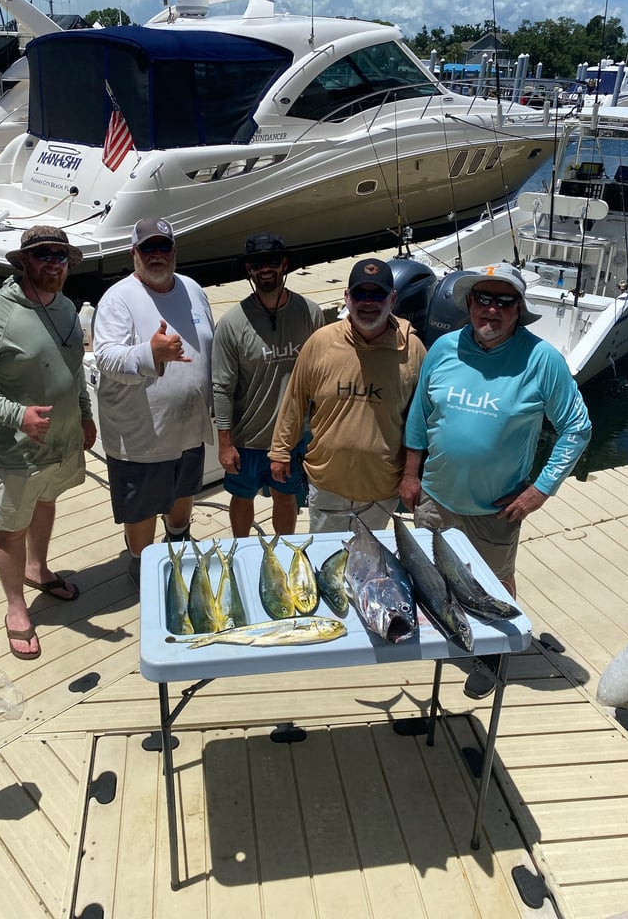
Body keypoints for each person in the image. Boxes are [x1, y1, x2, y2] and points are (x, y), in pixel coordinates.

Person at [400, 261, 592, 698]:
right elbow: (419, 416)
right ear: (469, 303)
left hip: (494, 508)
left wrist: (540, 490)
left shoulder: (541, 359)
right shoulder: (444, 348)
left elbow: (577, 428)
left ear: (518, 308)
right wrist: (410, 474)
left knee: (494, 585)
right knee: (435, 576)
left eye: (503, 301)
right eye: (482, 299)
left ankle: (492, 654)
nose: (491, 309)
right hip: (435, 496)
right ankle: (448, 637)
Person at [0, 226, 97, 660]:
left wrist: (87, 415)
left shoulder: (68, 307)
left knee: (47, 501)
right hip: (15, 449)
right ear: (24, 262)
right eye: (43, 255)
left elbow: (74, 369)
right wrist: (17, 414)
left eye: (61, 256)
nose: (53, 263)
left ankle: (38, 569)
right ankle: (16, 608)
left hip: (62, 441)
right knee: (11, 528)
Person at [93, 217, 214, 581]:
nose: (156, 255)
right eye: (148, 248)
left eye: (164, 247)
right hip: (141, 437)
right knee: (142, 512)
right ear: (134, 253)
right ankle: (142, 567)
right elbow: (106, 358)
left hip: (190, 428)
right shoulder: (118, 299)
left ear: (174, 251)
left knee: (183, 494)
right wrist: (150, 353)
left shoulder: (193, 288)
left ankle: (178, 543)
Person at [269, 257, 426, 532]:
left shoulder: (413, 350)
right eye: (360, 293)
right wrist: (280, 452)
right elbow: (295, 399)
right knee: (326, 561)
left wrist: (412, 476)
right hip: (328, 483)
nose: (368, 302)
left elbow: (421, 421)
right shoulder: (321, 341)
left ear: (392, 298)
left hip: (381, 489)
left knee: (369, 569)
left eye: (377, 294)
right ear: (346, 297)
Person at [212, 233, 325, 536]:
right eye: (257, 263)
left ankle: (285, 554)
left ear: (284, 264)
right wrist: (225, 443)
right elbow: (221, 388)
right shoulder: (232, 323)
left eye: (272, 262)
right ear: (249, 269)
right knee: (241, 497)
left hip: (291, 438)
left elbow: (321, 376)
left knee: (286, 497)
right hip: (247, 439)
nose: (265, 269)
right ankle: (240, 549)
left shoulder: (310, 313)